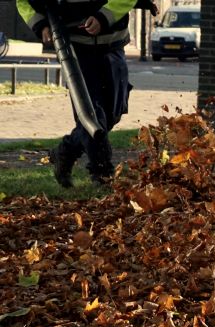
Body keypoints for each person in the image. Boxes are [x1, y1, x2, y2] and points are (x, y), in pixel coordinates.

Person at [16, 0, 137, 187]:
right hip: (75, 49)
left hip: (113, 44)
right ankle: (102, 174)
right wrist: (40, 25)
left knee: (113, 113)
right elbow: (23, 1)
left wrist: (104, 16)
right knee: (92, 114)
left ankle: (64, 151)